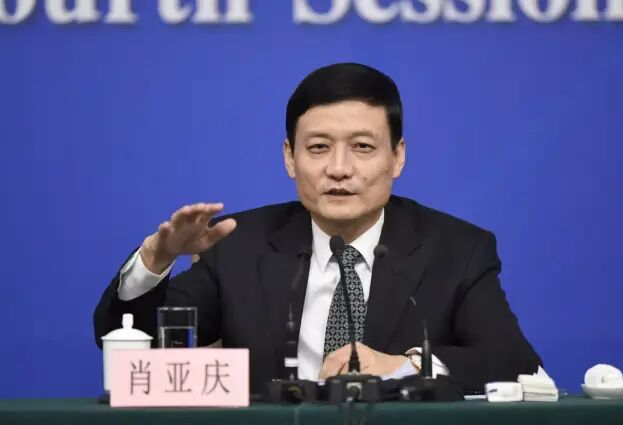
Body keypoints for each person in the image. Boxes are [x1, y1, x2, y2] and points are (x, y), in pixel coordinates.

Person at [94, 62, 541, 394]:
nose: (339, 169)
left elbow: (513, 361)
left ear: (397, 157)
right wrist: (156, 260)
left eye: (362, 147)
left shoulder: (456, 249)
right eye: (319, 148)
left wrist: (404, 365)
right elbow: (132, 342)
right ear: (290, 157)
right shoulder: (240, 244)